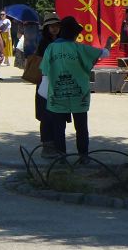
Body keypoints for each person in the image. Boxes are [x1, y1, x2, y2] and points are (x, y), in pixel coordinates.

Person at [41, 16, 116, 163]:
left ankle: (61, 158)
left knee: (58, 129)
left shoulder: (51, 48)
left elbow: (44, 72)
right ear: (75, 34)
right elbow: (104, 53)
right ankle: (83, 156)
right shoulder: (80, 48)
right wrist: (108, 43)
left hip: (57, 95)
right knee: (81, 128)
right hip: (79, 96)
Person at [33, 13, 62, 156]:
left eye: (56, 26)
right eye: (51, 26)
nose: (54, 28)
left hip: (58, 81)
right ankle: (47, 145)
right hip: (44, 81)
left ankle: (57, 144)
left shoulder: (62, 42)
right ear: (47, 28)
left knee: (58, 115)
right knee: (45, 115)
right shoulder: (44, 42)